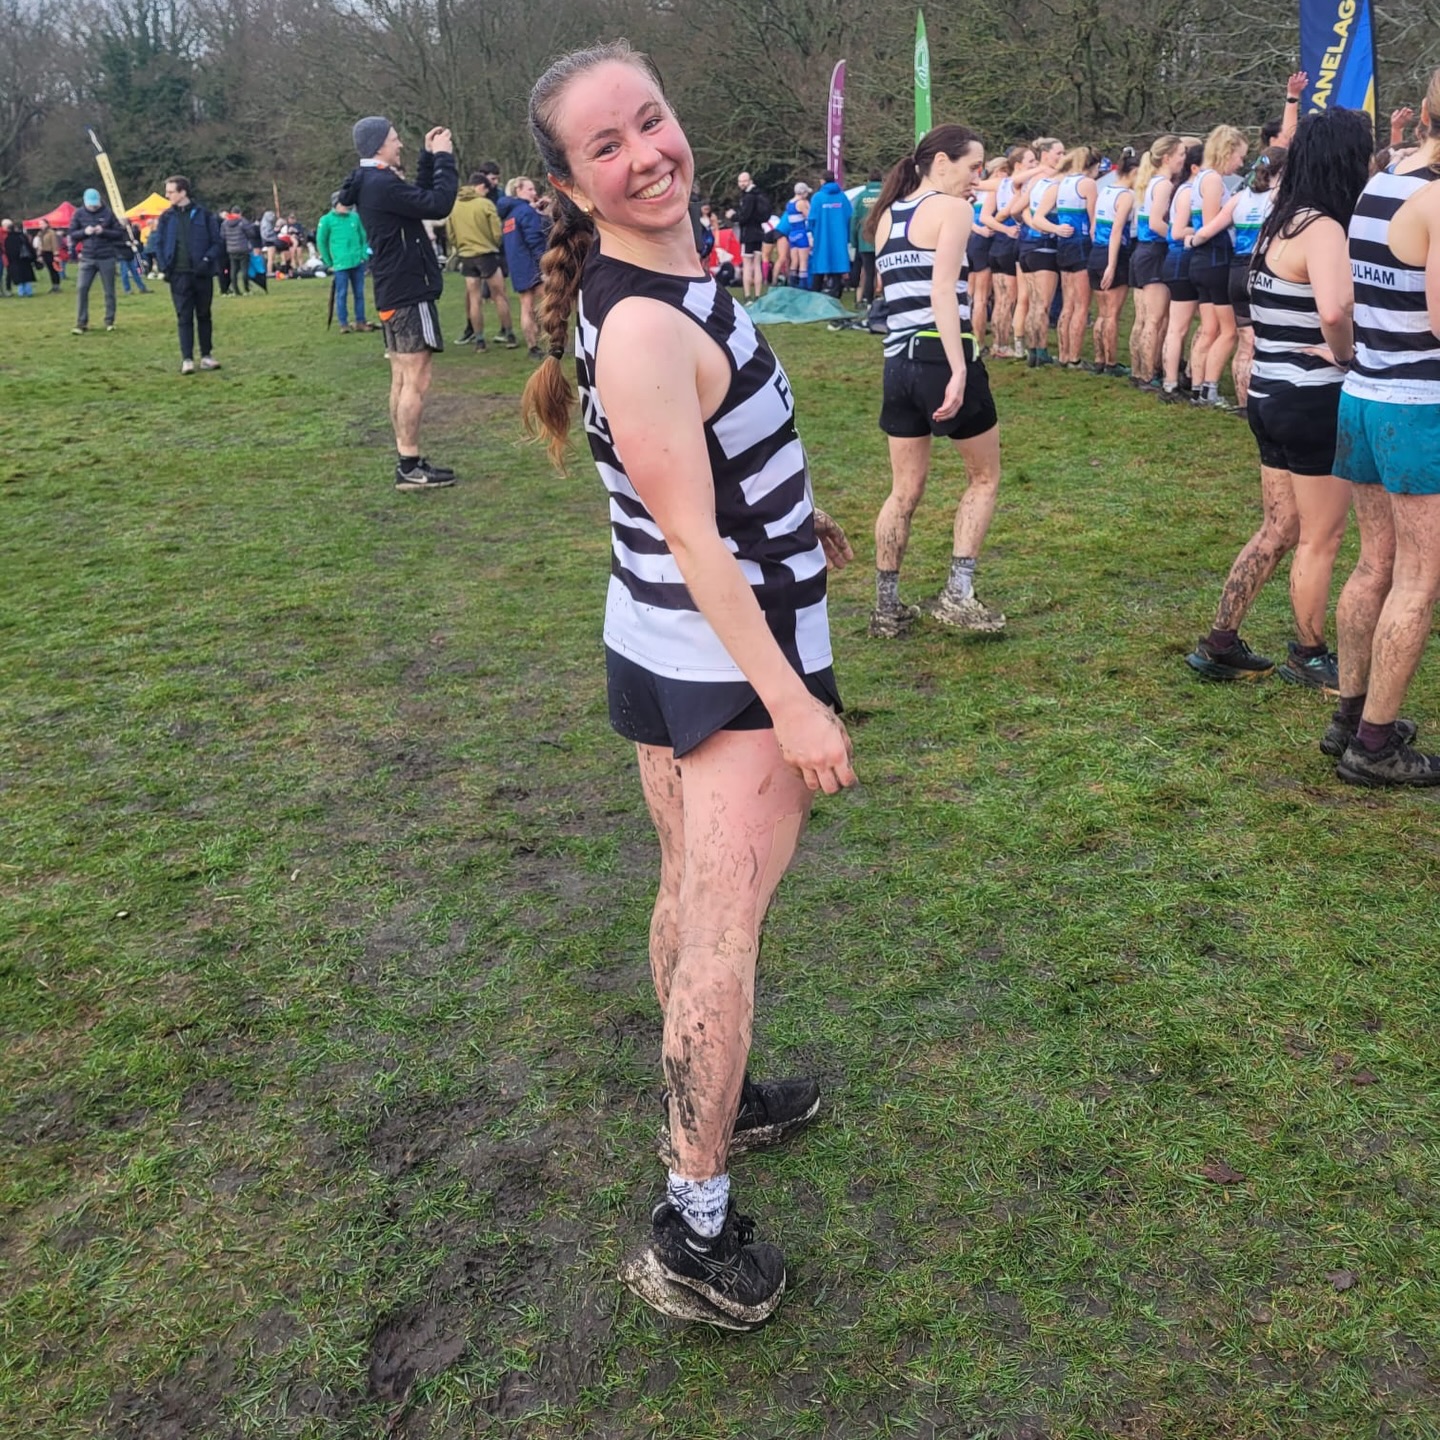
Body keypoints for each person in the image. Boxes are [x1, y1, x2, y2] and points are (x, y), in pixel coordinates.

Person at [521, 40, 856, 1331]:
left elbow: (715, 478)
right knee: (724, 936)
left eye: (651, 122)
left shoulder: (665, 275)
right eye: (608, 146)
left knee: (689, 900)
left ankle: (714, 1100)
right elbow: (698, 545)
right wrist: (793, 702)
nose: (647, 154)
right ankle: (690, 1230)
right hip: (719, 662)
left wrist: (802, 517)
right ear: (573, 180)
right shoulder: (650, 319)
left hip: (663, 642)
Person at [1184, 109, 1372, 696]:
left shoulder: (1276, 219)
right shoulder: (1324, 229)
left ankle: (1220, 641)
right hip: (1310, 397)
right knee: (1322, 536)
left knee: (1278, 527)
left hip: (1267, 391)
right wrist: (1344, 355)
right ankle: (1309, 653)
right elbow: (1335, 310)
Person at [1327, 71, 1440, 784]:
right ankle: (1375, 747)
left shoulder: (1383, 180)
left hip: (1364, 394)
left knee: (1374, 563)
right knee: (1419, 579)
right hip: (1417, 406)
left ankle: (1350, 717)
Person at [867, 124, 1006, 639]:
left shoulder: (887, 217)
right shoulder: (952, 211)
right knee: (984, 478)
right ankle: (958, 595)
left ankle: (886, 605)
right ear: (941, 162)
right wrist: (960, 368)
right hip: (938, 356)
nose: (979, 178)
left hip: (896, 364)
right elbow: (944, 292)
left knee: (903, 488)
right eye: (974, 166)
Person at [339, 115, 459, 490]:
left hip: (394, 289)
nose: (399, 144)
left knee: (401, 379)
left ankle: (407, 457)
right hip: (408, 290)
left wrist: (425, 158)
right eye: (394, 139)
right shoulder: (379, 183)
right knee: (415, 381)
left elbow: (418, 203)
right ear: (378, 145)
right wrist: (443, 158)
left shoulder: (375, 182)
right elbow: (439, 204)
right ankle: (409, 464)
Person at [1185, 125, 1248, 408]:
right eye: (1240, 157)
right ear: (1228, 151)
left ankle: (1197, 388)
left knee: (1209, 329)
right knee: (1228, 331)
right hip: (1214, 258)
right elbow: (1211, 224)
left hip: (1204, 259)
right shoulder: (1212, 180)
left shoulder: (1202, 178)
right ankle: (1209, 389)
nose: (1241, 164)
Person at [1127, 135, 1185, 388]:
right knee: (1154, 319)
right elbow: (1155, 223)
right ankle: (1148, 374)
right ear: (1167, 157)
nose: (1184, 159)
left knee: (1143, 318)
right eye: (1181, 154)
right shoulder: (1163, 185)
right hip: (1154, 251)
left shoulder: (1151, 182)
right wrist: (1179, 236)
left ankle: (1138, 371)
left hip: (1143, 251)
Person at [152, 175, 223, 375]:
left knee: (204, 315)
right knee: (183, 316)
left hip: (202, 274)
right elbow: (158, 243)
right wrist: (165, 266)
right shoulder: (166, 218)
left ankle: (207, 356)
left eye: (170, 192)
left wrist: (207, 261)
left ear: (183, 192)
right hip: (178, 275)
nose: (167, 196)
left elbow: (217, 242)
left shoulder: (205, 215)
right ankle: (187, 359)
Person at [1015, 136, 1067, 366]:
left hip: (1026, 246)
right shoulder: (1052, 182)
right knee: (1042, 304)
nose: (1063, 158)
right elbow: (1022, 212)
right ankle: (1041, 351)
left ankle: (1032, 351)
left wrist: (1028, 220)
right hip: (1044, 246)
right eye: (1059, 153)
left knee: (1034, 302)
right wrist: (1041, 224)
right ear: (1045, 156)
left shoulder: (1036, 180)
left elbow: (1016, 210)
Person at [450, 172, 516, 348]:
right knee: (499, 295)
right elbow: (496, 232)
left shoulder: (454, 205)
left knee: (474, 298)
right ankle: (509, 334)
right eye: (486, 189)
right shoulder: (485, 204)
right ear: (480, 186)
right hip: (486, 254)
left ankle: (479, 340)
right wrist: (493, 244)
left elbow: (450, 234)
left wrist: (461, 246)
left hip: (466, 256)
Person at [1158, 143, 1203, 400]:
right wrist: (1203, 231)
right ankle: (1170, 383)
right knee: (1178, 328)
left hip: (1180, 259)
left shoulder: (1187, 189)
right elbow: (1176, 231)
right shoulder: (1187, 191)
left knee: (1181, 326)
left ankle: (1179, 377)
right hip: (1179, 259)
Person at [1089, 147, 1137, 375]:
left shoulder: (1106, 190)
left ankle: (1099, 358)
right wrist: (1112, 264)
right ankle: (1111, 361)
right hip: (1113, 253)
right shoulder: (1126, 196)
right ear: (1134, 172)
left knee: (1101, 312)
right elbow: (1117, 230)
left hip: (1096, 252)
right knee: (1112, 314)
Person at [1054, 146, 1100, 366]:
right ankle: (1074, 357)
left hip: (1064, 245)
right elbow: (1093, 221)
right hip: (1081, 244)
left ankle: (1063, 355)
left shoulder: (1063, 182)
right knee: (1082, 305)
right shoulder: (1087, 184)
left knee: (1068, 303)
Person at [497, 177, 550, 358]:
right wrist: (544, 265)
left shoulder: (508, 216)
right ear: (518, 190)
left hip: (517, 266)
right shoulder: (526, 212)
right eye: (530, 189)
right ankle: (552, 341)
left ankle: (532, 346)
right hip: (532, 265)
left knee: (525, 305)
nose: (534, 193)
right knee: (547, 303)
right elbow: (534, 239)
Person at [69, 187, 127, 334]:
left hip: (107, 257)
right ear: (84, 202)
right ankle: (81, 322)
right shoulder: (78, 214)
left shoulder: (108, 213)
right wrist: (84, 232)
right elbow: (72, 234)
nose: (93, 207)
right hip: (87, 257)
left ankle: (109, 320)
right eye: (90, 205)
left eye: (95, 204)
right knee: (82, 288)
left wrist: (104, 232)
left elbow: (119, 233)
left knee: (109, 290)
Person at [317, 191, 372, 333]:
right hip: (340, 264)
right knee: (341, 294)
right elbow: (321, 242)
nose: (347, 206)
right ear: (335, 204)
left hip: (357, 262)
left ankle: (360, 321)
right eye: (343, 203)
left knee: (359, 293)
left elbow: (364, 236)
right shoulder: (326, 220)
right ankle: (344, 323)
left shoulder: (355, 218)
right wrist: (329, 262)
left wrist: (364, 254)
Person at [807, 170, 852, 297]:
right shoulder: (842, 197)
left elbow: (812, 219)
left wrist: (811, 233)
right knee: (838, 264)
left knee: (820, 265)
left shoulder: (818, 198)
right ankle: (836, 295)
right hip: (839, 237)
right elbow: (849, 216)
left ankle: (815, 296)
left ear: (822, 181)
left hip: (822, 238)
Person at [850, 169, 884, 305]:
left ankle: (869, 302)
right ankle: (887, 301)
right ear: (881, 181)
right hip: (883, 239)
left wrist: (854, 241)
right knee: (886, 272)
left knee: (869, 273)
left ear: (868, 181)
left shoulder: (861, 196)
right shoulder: (886, 195)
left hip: (865, 241)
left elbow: (854, 219)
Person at [735, 172, 768, 298]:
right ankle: (758, 295)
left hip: (748, 234)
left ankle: (748, 295)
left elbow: (744, 217)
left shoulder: (748, 197)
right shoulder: (759, 194)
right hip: (759, 233)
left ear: (750, 181)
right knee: (757, 264)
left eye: (744, 181)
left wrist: (733, 216)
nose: (742, 184)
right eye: (740, 181)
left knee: (747, 264)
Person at [782, 183, 812, 286]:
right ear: (803, 193)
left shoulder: (789, 203)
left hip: (792, 234)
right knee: (803, 261)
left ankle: (792, 284)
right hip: (801, 233)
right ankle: (803, 285)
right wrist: (808, 206)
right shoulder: (801, 203)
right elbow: (809, 216)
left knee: (794, 261)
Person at [221, 206, 252, 295]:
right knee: (244, 269)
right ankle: (246, 289)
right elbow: (251, 233)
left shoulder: (225, 223)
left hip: (231, 249)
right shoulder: (243, 222)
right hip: (243, 248)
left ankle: (236, 290)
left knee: (233, 270)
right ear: (240, 213)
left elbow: (222, 236)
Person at [2, 221, 37, 295]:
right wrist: (34, 257)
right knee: (27, 276)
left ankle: (21, 292)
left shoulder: (8, 239)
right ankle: (29, 291)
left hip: (14, 261)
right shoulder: (22, 236)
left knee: (19, 277)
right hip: (25, 259)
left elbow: (7, 251)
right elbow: (29, 247)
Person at [35, 221, 60, 291]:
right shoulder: (40, 233)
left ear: (47, 224)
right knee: (49, 270)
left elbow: (54, 243)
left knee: (54, 269)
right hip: (44, 252)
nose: (41, 225)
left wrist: (56, 254)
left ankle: (57, 285)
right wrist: (39, 254)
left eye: (42, 224)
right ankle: (53, 285)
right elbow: (40, 244)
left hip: (51, 252)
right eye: (40, 224)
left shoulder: (51, 232)